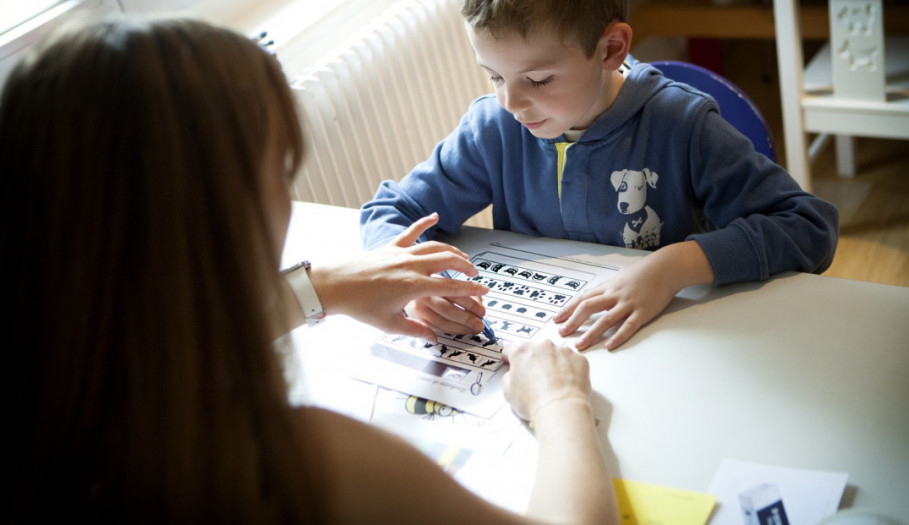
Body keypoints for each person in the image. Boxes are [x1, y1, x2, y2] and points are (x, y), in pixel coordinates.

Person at [0, 18, 618, 524]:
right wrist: (561, 400)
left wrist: (318, 288)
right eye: (280, 171)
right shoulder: (293, 462)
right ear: (221, 216)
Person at [359, 0, 840, 350]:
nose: (511, 102)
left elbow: (809, 226)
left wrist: (674, 267)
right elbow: (392, 212)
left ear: (611, 47)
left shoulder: (682, 127)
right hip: (551, 350)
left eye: (539, 79)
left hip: (678, 345)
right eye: (495, 76)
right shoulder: (494, 128)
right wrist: (417, 280)